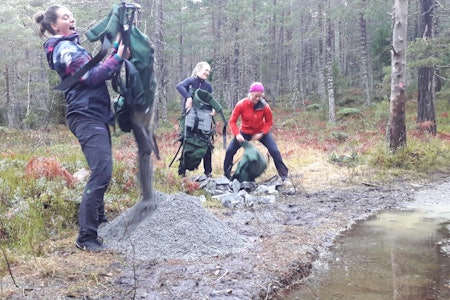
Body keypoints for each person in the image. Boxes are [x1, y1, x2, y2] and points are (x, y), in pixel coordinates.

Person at [35, 5, 126, 252]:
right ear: (54, 26)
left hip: (94, 113)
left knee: (102, 170)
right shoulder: (64, 49)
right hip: (85, 115)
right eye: (65, 17)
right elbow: (92, 76)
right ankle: (86, 237)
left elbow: (97, 66)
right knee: (101, 173)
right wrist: (119, 57)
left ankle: (101, 221)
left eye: (71, 15)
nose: (72, 19)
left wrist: (118, 47)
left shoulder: (72, 47)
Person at [224, 82, 289, 182]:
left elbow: (269, 122)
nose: (258, 98)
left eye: (260, 96)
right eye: (256, 96)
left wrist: (262, 133)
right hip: (244, 132)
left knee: (275, 151)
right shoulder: (241, 104)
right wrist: (237, 134)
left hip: (261, 132)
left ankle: (284, 176)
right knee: (229, 151)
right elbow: (232, 121)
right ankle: (226, 175)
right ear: (250, 94)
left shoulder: (265, 107)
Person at [176, 62, 215, 177]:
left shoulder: (208, 86)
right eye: (205, 70)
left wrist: (212, 108)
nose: (207, 73)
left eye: (209, 71)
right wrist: (188, 98)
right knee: (187, 141)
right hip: (190, 117)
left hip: (204, 118)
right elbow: (179, 86)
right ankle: (181, 172)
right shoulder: (191, 81)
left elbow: (210, 100)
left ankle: (208, 172)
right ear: (198, 70)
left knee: (206, 143)